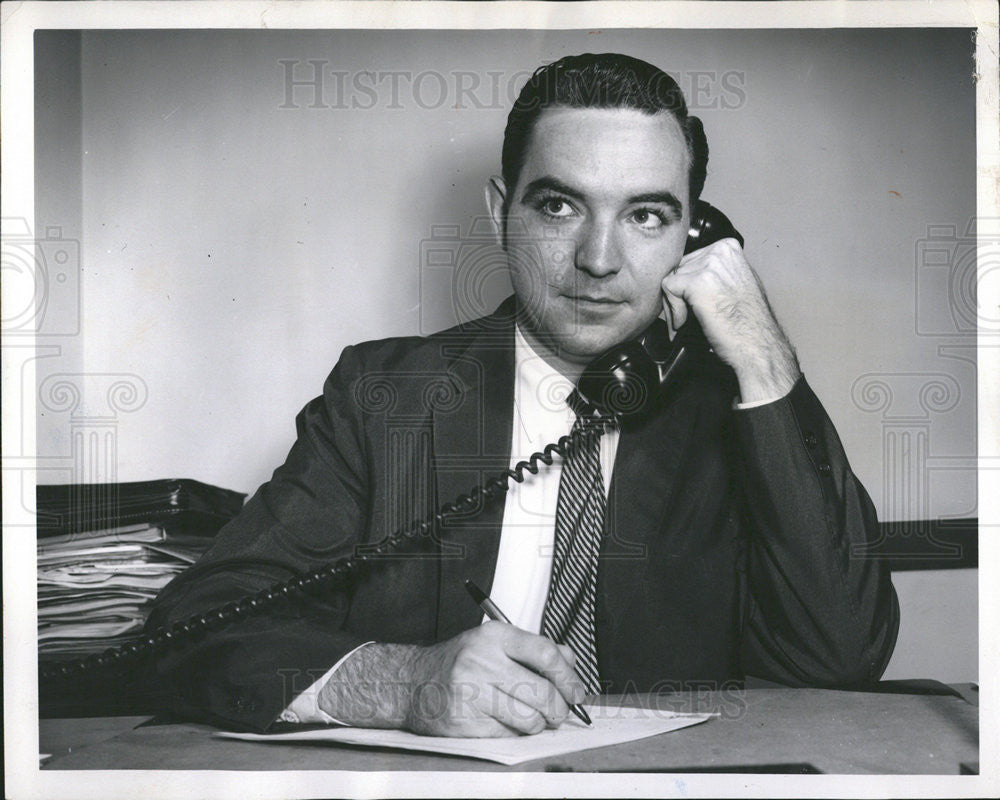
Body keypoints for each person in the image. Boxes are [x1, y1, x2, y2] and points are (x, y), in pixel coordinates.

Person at [145, 53, 899, 737]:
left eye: (646, 216)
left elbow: (842, 654)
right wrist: (401, 684)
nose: (599, 260)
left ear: (693, 240)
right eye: (560, 207)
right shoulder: (386, 397)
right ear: (500, 211)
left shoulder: (733, 414)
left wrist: (761, 355)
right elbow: (195, 624)